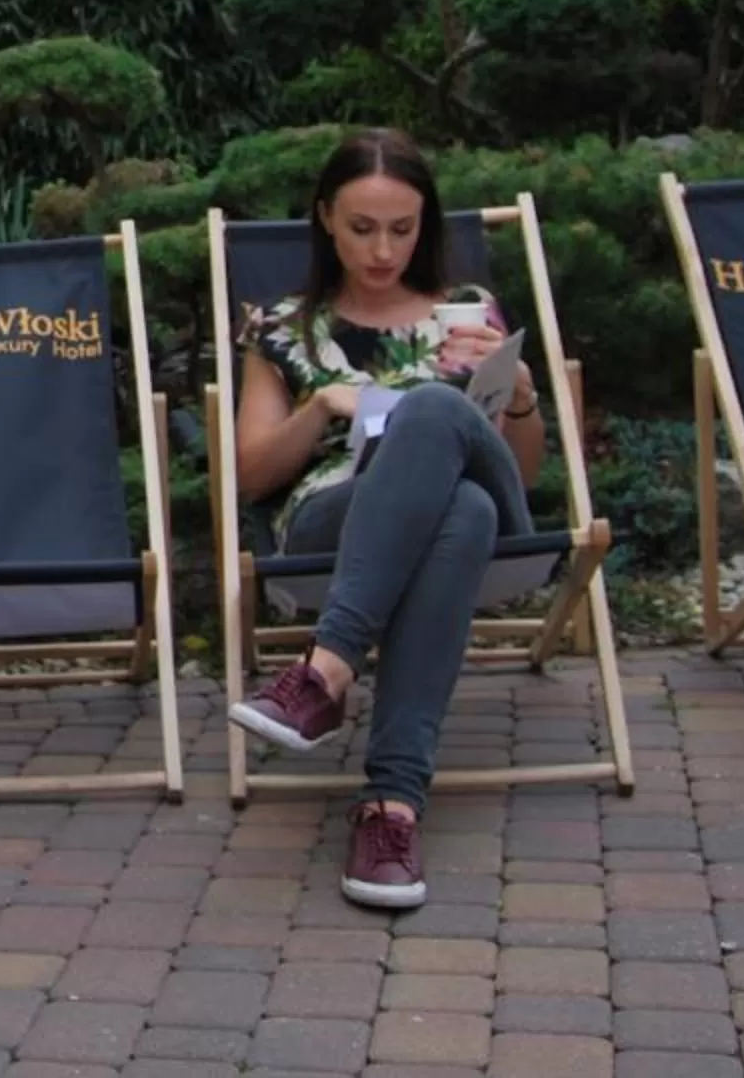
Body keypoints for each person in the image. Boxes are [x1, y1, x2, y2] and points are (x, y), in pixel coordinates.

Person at [224, 127, 545, 912]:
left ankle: (326, 668)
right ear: (325, 218)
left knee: (435, 415)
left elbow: (525, 475)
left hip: (487, 505)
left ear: (424, 223)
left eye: (402, 229)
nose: (382, 250)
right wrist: (319, 406)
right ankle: (391, 807)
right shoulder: (282, 327)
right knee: (460, 510)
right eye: (362, 227)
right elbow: (251, 475)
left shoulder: (469, 317)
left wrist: (522, 394)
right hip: (334, 516)